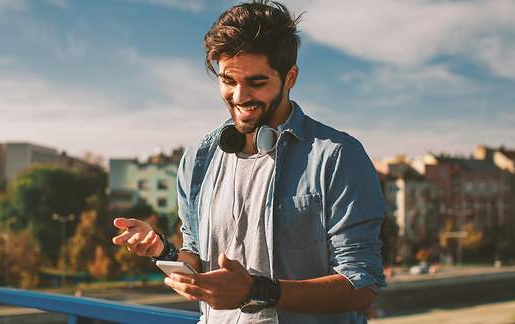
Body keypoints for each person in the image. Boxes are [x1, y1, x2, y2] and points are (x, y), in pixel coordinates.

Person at [112, 1, 385, 323]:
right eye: (228, 81)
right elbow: (197, 259)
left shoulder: (338, 156)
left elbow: (361, 286)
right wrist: (163, 252)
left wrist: (257, 290)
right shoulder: (197, 160)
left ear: (290, 78)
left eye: (257, 82)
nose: (240, 96)